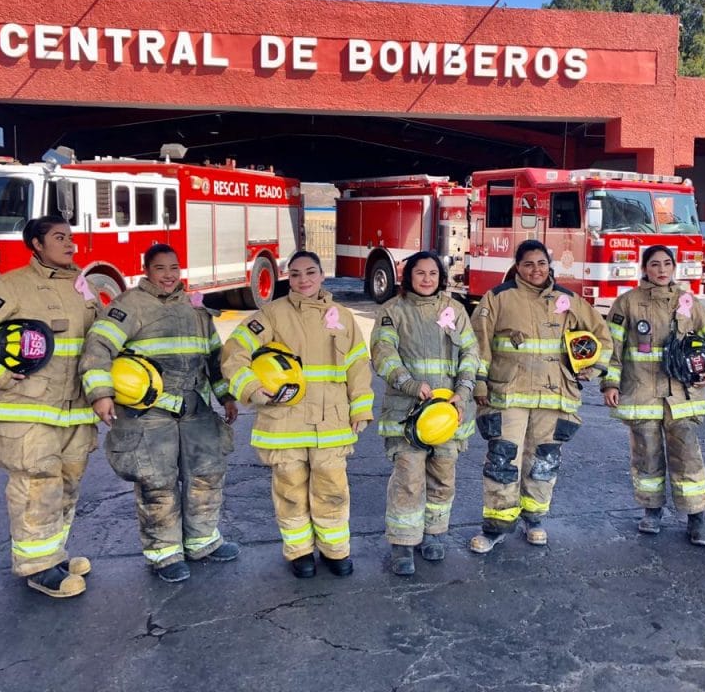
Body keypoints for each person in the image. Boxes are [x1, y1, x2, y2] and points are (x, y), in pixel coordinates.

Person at [0, 215, 101, 598]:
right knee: (37, 488)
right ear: (36, 244)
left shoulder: (82, 287)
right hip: (31, 412)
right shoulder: (12, 286)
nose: (69, 244)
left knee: (66, 486)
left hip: (76, 412)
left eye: (70, 237)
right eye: (59, 238)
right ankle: (36, 567)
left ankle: (54, 554)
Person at [79, 244, 240, 583]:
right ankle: (164, 554)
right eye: (160, 268)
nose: (168, 275)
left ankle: (202, 541)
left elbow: (213, 357)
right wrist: (100, 394)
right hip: (148, 413)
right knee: (157, 483)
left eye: (174, 267)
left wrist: (225, 397)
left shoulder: (195, 309)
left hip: (195, 408)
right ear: (146, 270)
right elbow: (98, 349)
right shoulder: (129, 306)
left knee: (207, 474)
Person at [221, 251, 373, 578]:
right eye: (295, 274)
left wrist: (361, 404)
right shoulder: (273, 314)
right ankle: (299, 552)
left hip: (331, 422)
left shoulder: (342, 316)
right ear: (287, 278)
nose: (303, 280)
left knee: (332, 489)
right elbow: (234, 352)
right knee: (290, 490)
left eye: (310, 272)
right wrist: (250, 387)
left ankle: (335, 551)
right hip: (284, 420)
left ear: (322, 275)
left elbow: (358, 365)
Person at [469, 239, 612, 553]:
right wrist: (479, 382)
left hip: (555, 396)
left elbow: (603, 336)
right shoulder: (497, 299)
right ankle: (495, 527)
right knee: (503, 459)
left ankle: (533, 519)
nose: (536, 270)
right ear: (518, 267)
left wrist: (593, 368)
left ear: (550, 266)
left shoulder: (569, 300)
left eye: (542, 263)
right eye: (529, 264)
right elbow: (477, 344)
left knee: (544, 461)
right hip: (507, 394)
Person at [602, 245, 705, 546]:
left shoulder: (688, 302)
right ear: (644, 269)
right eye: (654, 265)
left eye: (666, 264)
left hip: (683, 397)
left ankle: (696, 518)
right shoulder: (627, 303)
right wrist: (610, 385)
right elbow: (613, 350)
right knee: (646, 456)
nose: (661, 270)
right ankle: (652, 510)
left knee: (688, 457)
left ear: (673, 268)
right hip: (641, 394)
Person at [370, 251, 480, 576]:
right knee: (409, 479)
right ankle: (403, 544)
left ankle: (433, 534)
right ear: (409, 277)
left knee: (443, 478)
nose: (427, 279)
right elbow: (383, 353)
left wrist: (463, 391)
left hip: (449, 415)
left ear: (441, 277)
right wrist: (407, 383)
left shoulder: (454, 310)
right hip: (407, 415)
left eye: (433, 273)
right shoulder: (392, 311)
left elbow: (471, 353)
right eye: (420, 273)